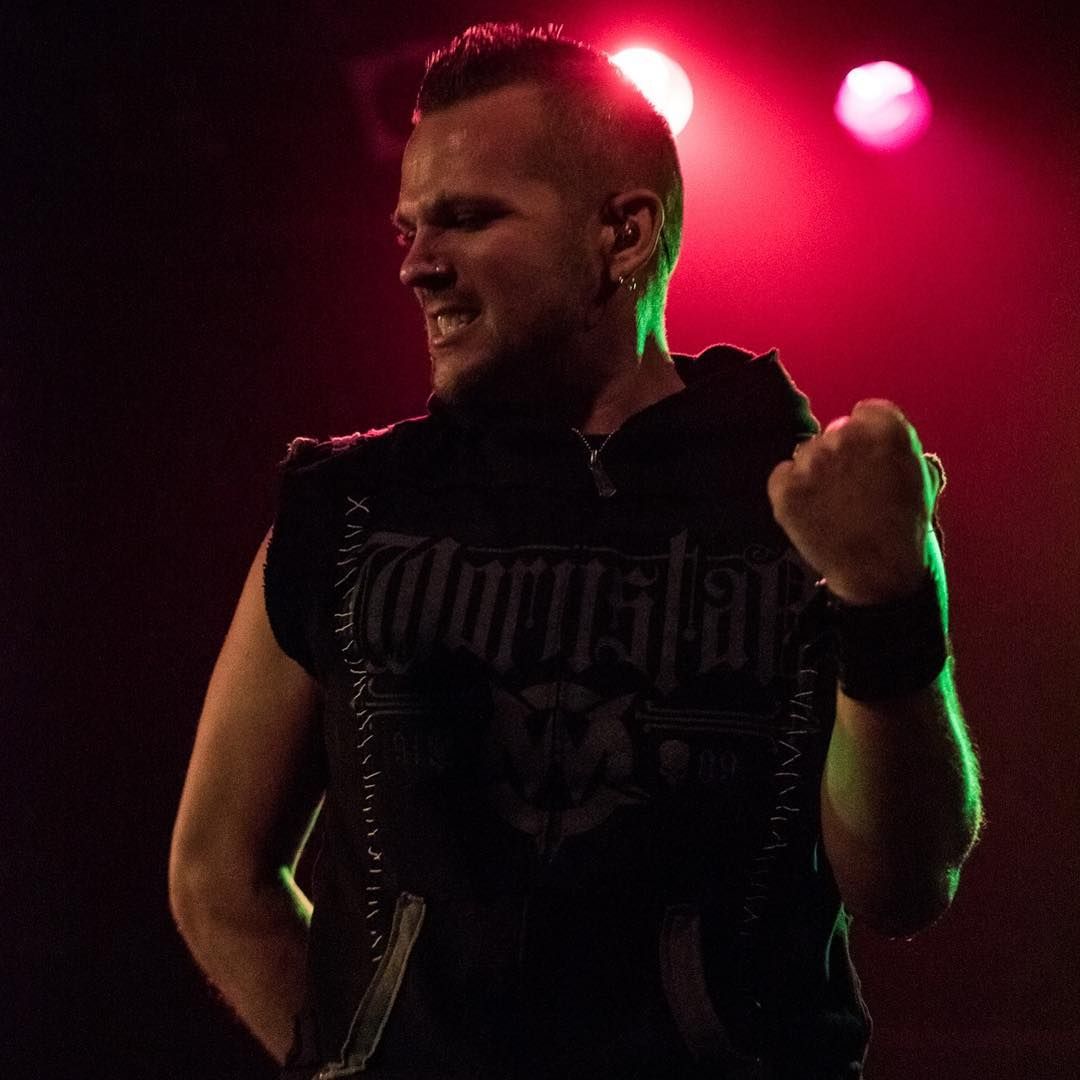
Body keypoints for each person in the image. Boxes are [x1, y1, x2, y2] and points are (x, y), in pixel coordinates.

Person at [169, 23, 983, 1080]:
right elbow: (217, 873)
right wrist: (352, 1063)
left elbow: (904, 886)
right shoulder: (348, 504)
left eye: (469, 218)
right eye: (410, 227)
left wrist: (887, 601)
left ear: (624, 235)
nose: (417, 265)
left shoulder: (811, 503)